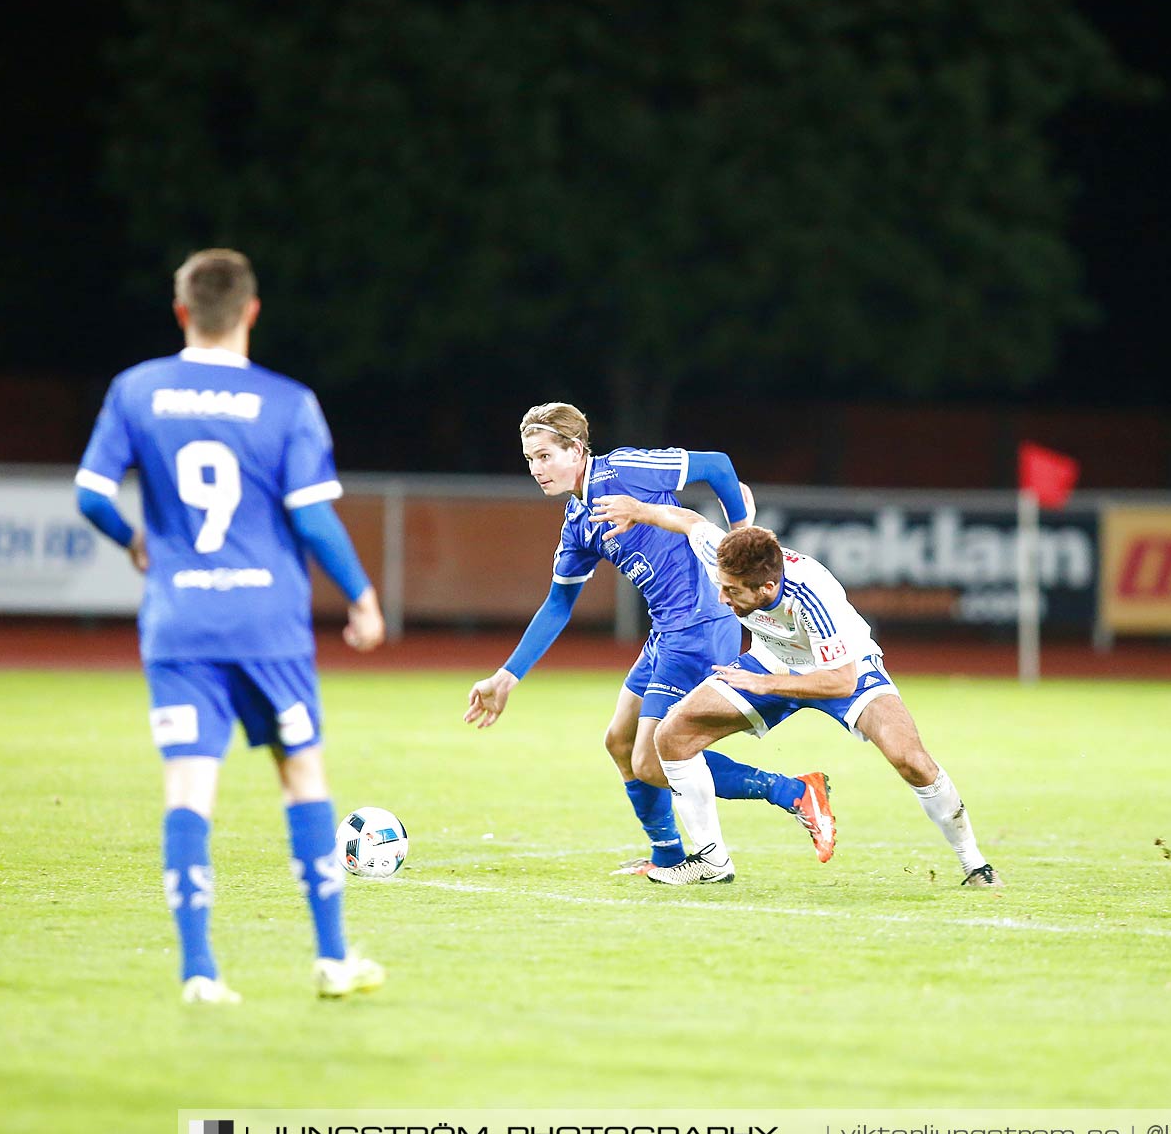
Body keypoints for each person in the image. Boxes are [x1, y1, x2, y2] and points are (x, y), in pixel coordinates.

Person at [74, 248, 387, 1003]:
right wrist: (361, 593)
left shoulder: (136, 389)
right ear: (250, 311)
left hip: (179, 621)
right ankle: (332, 959)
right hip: (266, 623)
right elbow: (311, 517)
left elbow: (89, 495)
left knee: (189, 788)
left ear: (182, 311)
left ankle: (199, 972)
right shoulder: (288, 402)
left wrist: (135, 542)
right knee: (301, 774)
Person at [462, 403, 834, 877]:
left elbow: (718, 465)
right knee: (619, 742)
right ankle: (667, 855)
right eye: (530, 459)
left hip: (701, 623)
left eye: (545, 456)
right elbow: (558, 604)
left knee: (652, 758)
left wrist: (741, 535)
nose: (537, 469)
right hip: (667, 630)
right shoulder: (578, 522)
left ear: (576, 450)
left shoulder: (626, 468)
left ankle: (794, 793)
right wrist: (506, 676)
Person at [587, 496, 1002, 889]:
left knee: (909, 759)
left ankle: (974, 864)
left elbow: (840, 680)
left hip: (845, 668)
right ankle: (711, 861)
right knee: (671, 736)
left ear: (766, 589)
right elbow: (690, 521)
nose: (721, 596)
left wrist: (766, 685)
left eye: (732, 592)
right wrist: (637, 510)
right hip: (770, 660)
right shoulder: (725, 559)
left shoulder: (811, 594)